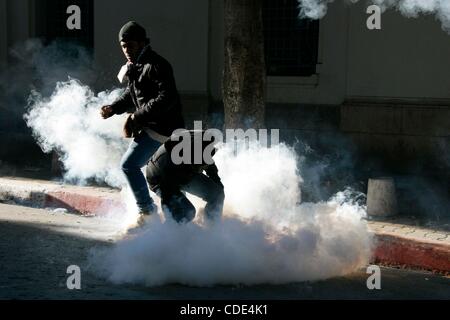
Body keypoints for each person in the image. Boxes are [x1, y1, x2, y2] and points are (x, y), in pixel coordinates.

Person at [100, 21, 185, 218]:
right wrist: (113, 108)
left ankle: (147, 212)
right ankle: (176, 216)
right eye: (123, 46)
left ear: (142, 43)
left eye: (131, 45)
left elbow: (167, 98)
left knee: (129, 165)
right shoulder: (136, 65)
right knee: (157, 174)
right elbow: (131, 94)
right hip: (152, 127)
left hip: (163, 129)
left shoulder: (156, 65)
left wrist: (136, 117)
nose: (127, 50)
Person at [146, 130, 225, 224]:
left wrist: (216, 179)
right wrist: (172, 212)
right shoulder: (173, 167)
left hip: (180, 171)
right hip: (161, 178)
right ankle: (170, 235)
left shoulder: (198, 143)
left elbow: (208, 160)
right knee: (186, 212)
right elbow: (166, 193)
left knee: (217, 194)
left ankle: (212, 229)